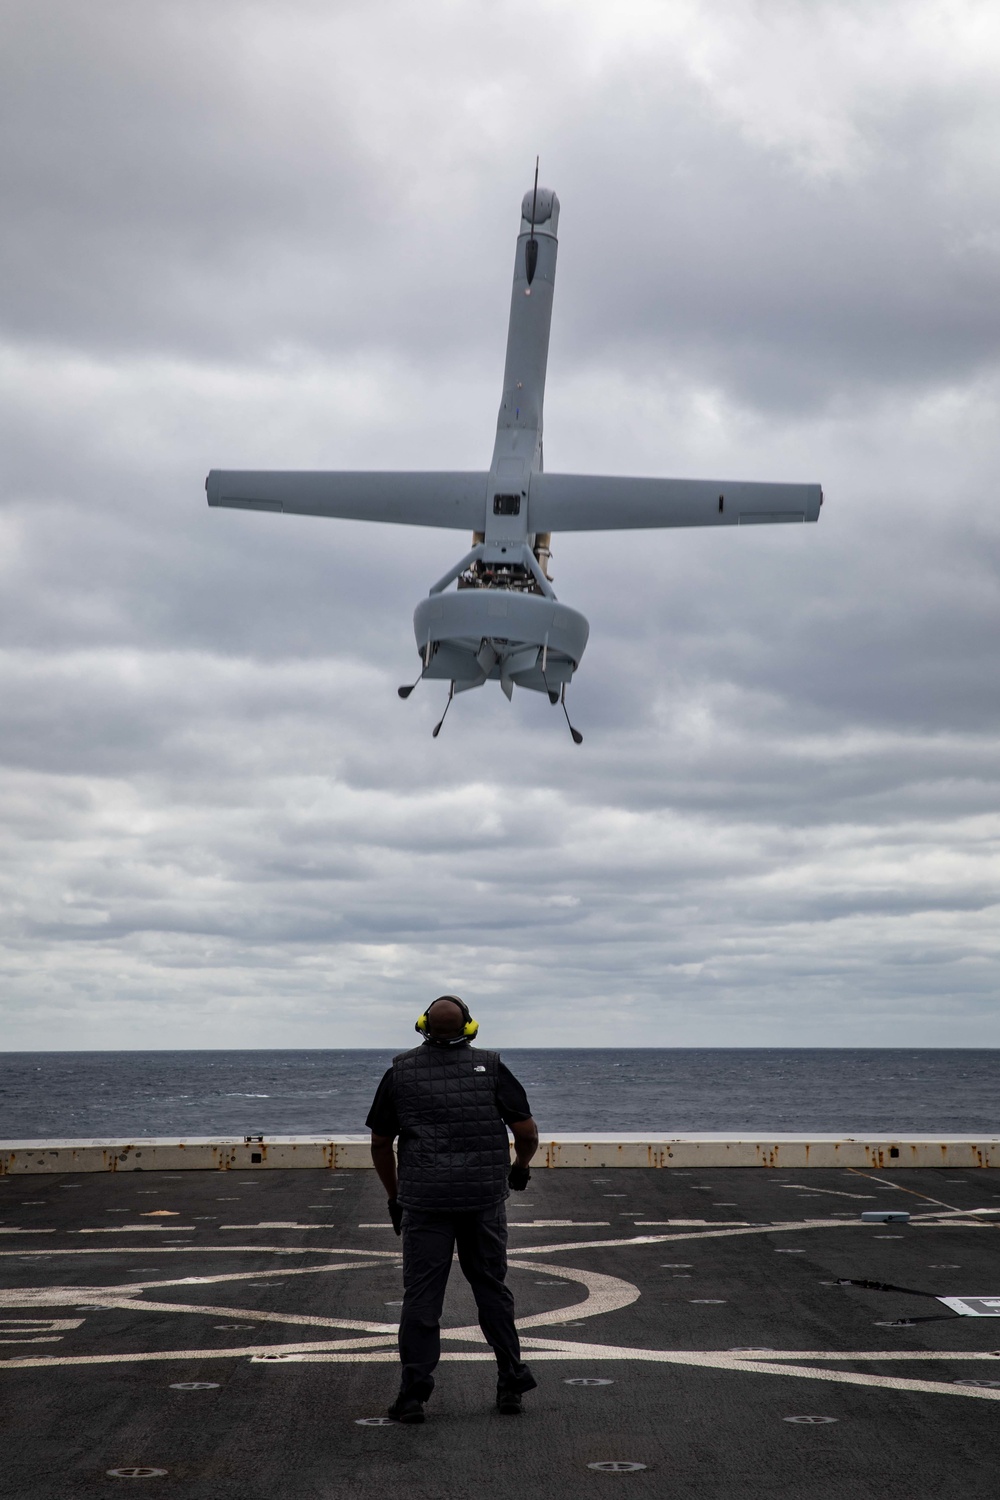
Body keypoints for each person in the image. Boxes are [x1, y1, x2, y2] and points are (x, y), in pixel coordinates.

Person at [366, 994, 540, 1423]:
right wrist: (519, 1168)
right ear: (469, 1027)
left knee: (422, 1298)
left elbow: (380, 1143)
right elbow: (526, 1132)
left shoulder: (400, 1071)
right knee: (492, 1290)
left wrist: (395, 1196)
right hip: (483, 1201)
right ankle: (510, 1382)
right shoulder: (494, 1066)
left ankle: (413, 1395)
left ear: (423, 1025)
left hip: (424, 1203)